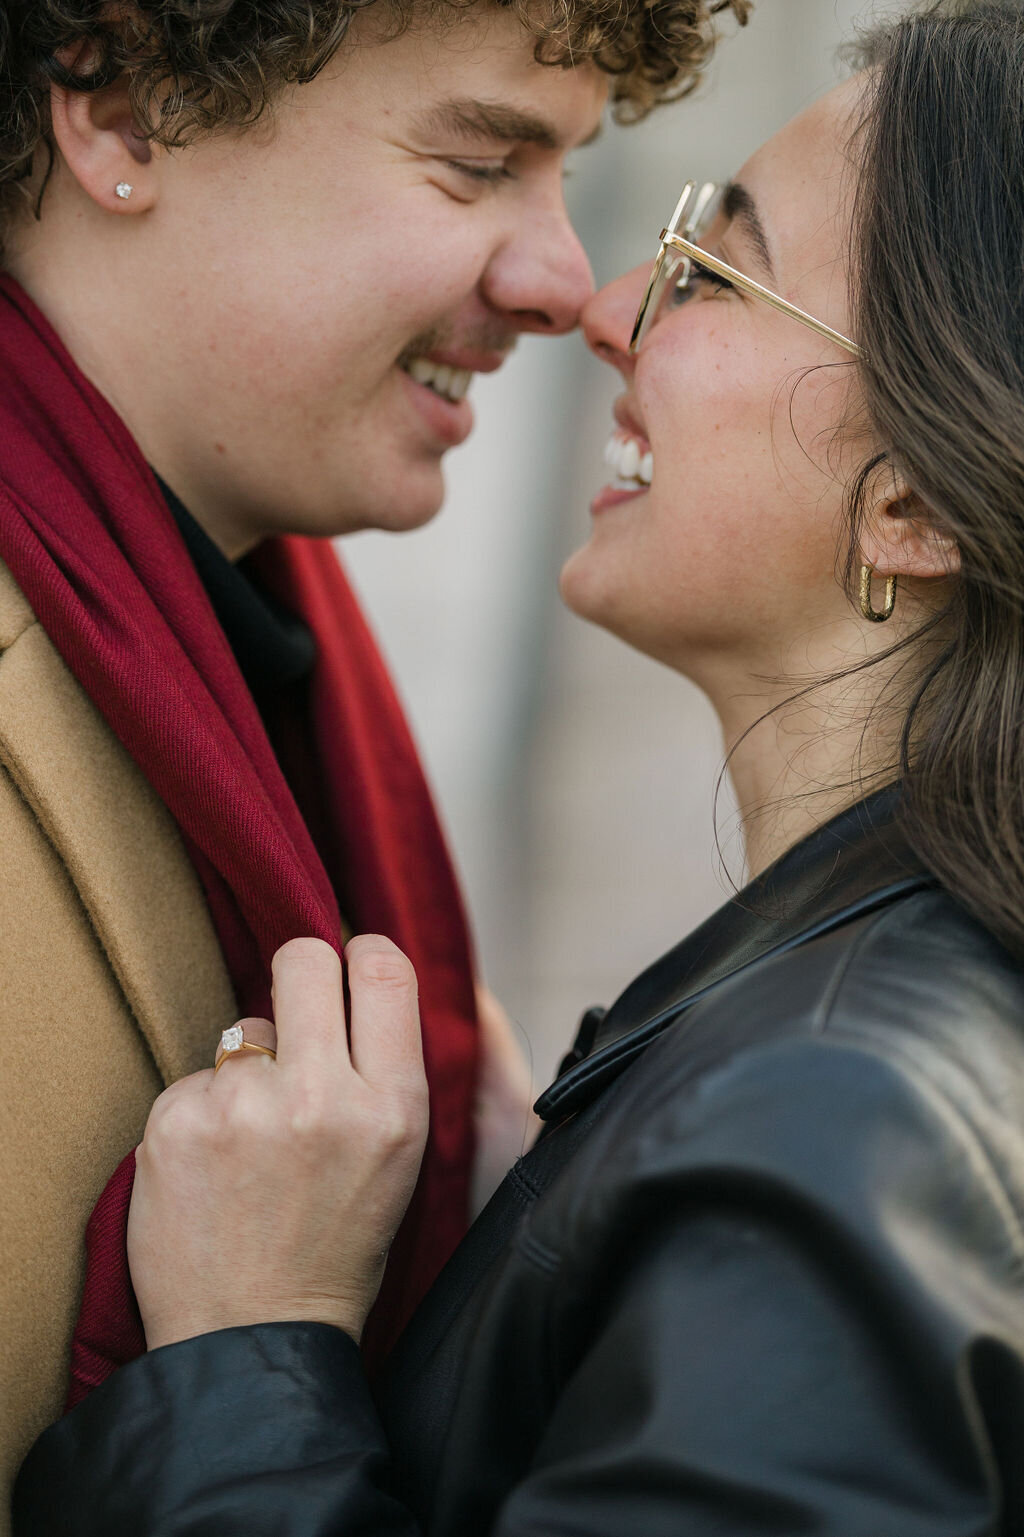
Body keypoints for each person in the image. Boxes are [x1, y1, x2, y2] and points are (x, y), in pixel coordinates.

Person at [16, 0, 1024, 1530]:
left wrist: (244, 1360)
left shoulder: (846, 1105)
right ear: (124, 114)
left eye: (719, 268)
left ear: (915, 504)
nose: (588, 291)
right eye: (480, 161)